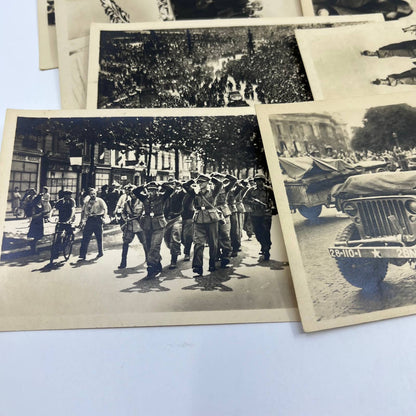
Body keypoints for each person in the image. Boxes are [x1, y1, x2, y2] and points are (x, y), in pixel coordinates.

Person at [183, 174, 223, 275]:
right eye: (199, 182)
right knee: (198, 243)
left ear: (207, 183)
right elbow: (185, 186)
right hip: (198, 219)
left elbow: (220, 184)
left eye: (202, 182)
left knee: (213, 243)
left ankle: (212, 263)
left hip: (211, 219)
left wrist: (211, 178)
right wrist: (192, 180)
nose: (200, 184)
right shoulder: (195, 193)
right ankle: (198, 266)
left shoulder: (213, 192)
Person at [133, 181, 174, 279]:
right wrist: (144, 185)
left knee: (155, 246)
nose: (152, 192)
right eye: (150, 190)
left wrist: (162, 184)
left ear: (157, 190)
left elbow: (171, 189)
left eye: (154, 190)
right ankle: (157, 263)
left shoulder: (162, 197)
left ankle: (150, 268)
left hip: (159, 224)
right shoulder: (144, 198)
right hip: (147, 224)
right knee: (148, 246)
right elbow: (135, 191)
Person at [243, 173, 276, 261]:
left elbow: (274, 200)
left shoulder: (268, 190)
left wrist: (273, 208)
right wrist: (253, 203)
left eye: (260, 180)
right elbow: (244, 199)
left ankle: (267, 247)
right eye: (257, 180)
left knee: (266, 231)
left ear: (263, 181)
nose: (259, 182)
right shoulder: (251, 190)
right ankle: (264, 245)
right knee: (257, 232)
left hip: (266, 213)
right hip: (255, 214)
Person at [118, 184, 146, 269]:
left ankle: (149, 259)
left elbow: (145, 211)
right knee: (125, 243)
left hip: (140, 226)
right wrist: (125, 218)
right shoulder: (127, 203)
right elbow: (123, 212)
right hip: (130, 225)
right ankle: (123, 262)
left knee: (145, 243)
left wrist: (142, 217)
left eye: (134, 193)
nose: (133, 195)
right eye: (131, 193)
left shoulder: (142, 202)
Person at [78, 187, 108, 261]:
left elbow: (105, 208)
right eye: (91, 194)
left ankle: (100, 252)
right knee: (85, 237)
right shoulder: (86, 202)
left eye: (94, 194)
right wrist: (82, 221)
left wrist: (104, 216)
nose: (93, 195)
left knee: (99, 237)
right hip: (89, 220)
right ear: (89, 194)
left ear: (96, 194)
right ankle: (82, 254)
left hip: (98, 219)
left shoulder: (100, 200)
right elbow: (84, 212)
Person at [163, 180, 187, 269]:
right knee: (167, 239)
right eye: (170, 185)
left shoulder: (180, 194)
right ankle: (181, 248)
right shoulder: (164, 195)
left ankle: (173, 260)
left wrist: (180, 184)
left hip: (177, 218)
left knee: (175, 237)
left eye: (174, 184)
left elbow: (185, 191)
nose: (172, 186)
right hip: (166, 220)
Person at [50, 190, 76, 261]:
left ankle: (69, 241)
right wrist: (50, 216)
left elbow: (73, 210)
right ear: (64, 195)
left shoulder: (72, 201)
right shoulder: (60, 201)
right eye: (67, 195)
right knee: (58, 235)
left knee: (69, 232)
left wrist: (70, 219)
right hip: (61, 220)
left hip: (69, 219)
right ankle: (56, 252)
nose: (69, 196)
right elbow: (54, 209)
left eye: (70, 195)